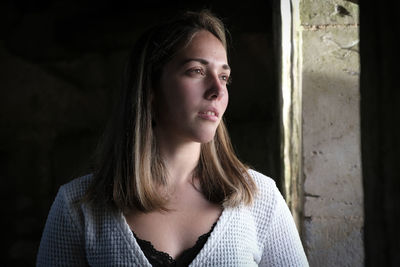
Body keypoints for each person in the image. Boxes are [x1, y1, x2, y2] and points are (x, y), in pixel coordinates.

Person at [36, 9, 308, 266]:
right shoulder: (78, 206)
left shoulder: (260, 198)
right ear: (150, 89)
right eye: (197, 71)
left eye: (224, 77)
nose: (217, 90)